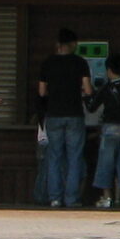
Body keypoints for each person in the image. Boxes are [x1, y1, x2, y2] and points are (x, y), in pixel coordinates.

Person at [35, 29, 92, 207]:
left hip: (53, 114)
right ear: (73, 44)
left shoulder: (47, 63)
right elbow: (88, 90)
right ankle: (71, 198)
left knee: (54, 157)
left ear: (58, 44)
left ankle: (55, 198)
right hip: (74, 114)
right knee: (74, 157)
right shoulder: (80, 63)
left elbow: (42, 91)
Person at [88, 57, 120, 209]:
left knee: (105, 164)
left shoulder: (106, 88)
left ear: (109, 70)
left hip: (109, 129)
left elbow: (92, 107)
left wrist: (85, 96)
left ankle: (107, 197)